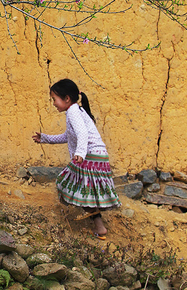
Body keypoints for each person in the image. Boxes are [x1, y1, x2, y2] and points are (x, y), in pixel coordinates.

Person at [32, 78, 121, 240]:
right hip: (97, 156)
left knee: (64, 181)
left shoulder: (73, 111)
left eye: (54, 99)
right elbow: (67, 136)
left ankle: (88, 214)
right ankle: (99, 227)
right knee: (88, 194)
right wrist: (45, 138)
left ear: (67, 98)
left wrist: (80, 152)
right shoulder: (75, 111)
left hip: (89, 155)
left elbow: (82, 134)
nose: (53, 103)